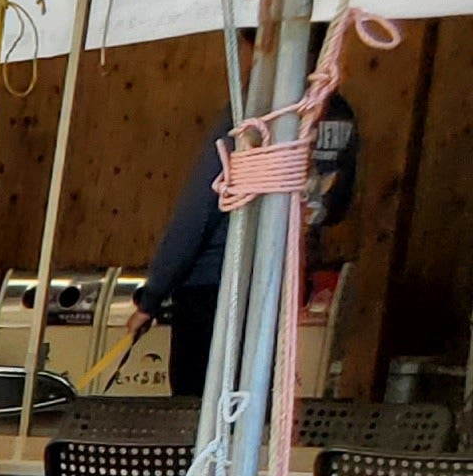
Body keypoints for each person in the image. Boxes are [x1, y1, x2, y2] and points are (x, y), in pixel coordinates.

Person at [136, 96, 363, 398]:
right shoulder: (338, 113)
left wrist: (152, 296)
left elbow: (198, 210)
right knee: (255, 401)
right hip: (279, 284)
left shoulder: (253, 108)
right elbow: (336, 205)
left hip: (214, 286)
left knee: (199, 405)